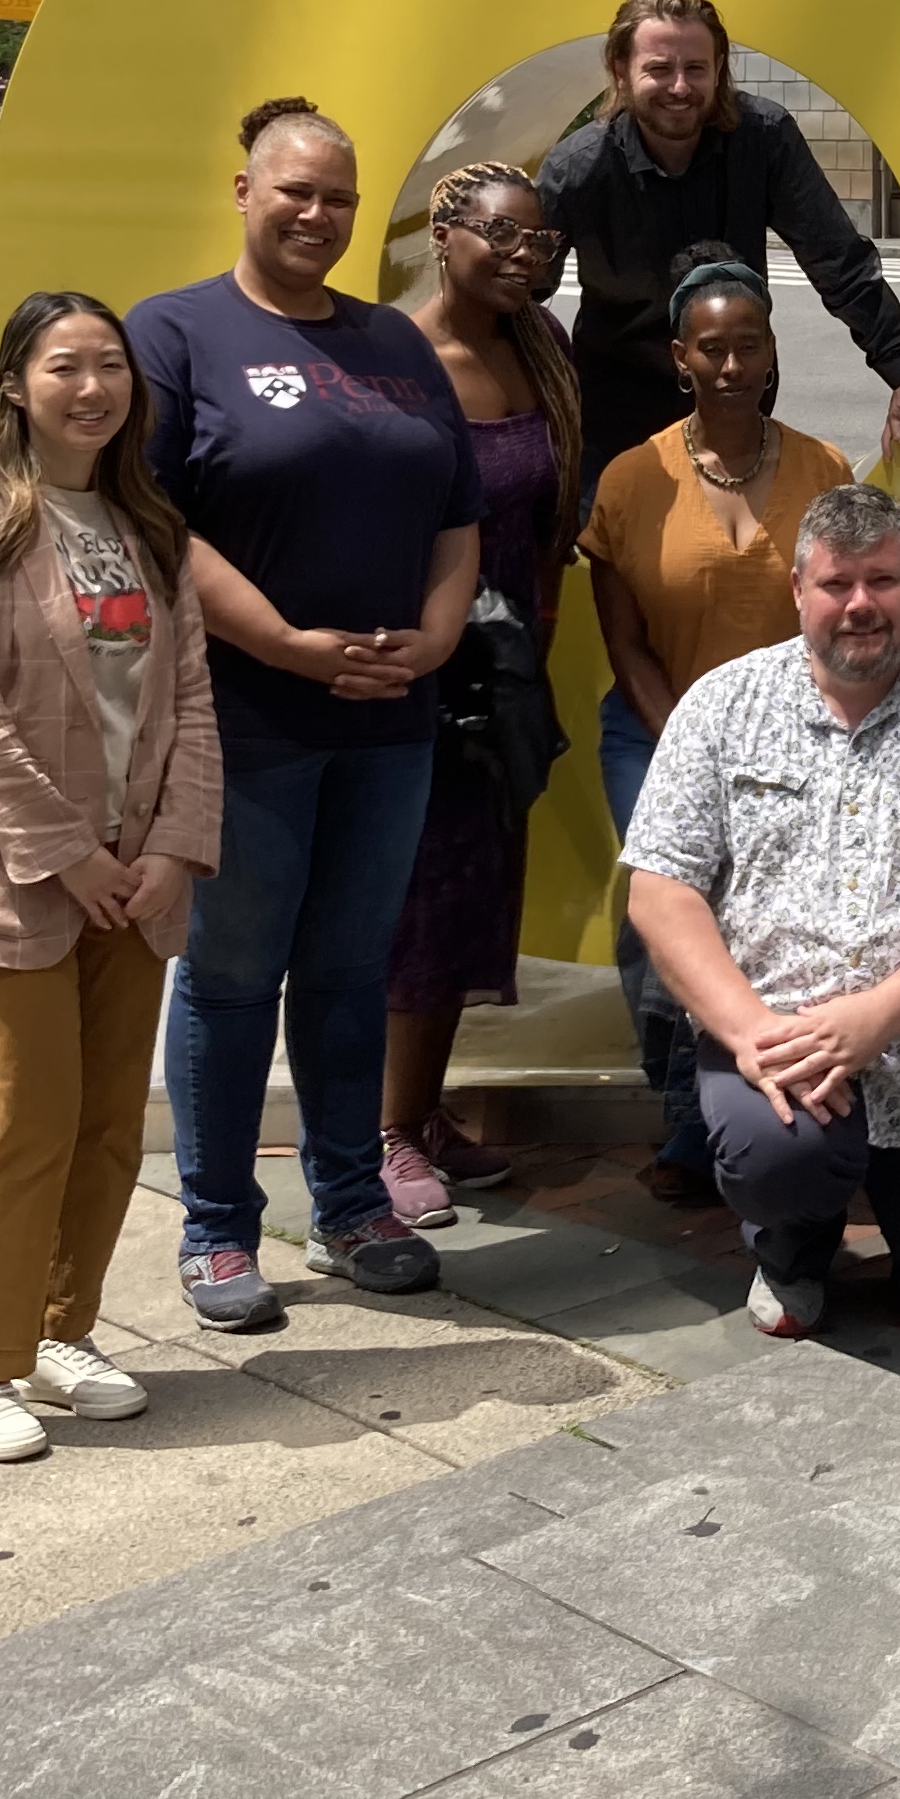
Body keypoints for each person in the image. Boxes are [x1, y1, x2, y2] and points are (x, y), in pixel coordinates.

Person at [126, 98, 481, 1331]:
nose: (317, 216)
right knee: (230, 975)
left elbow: (455, 512)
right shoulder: (174, 335)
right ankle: (219, 1227)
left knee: (345, 971)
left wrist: (435, 638)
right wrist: (281, 641)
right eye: (295, 192)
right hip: (247, 717)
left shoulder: (398, 343)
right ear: (244, 193)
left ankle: (349, 1205)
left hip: (390, 719)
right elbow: (154, 522)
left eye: (337, 197)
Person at [625, 485, 900, 1341]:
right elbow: (660, 889)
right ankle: (793, 1236)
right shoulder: (722, 705)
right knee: (782, 1160)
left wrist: (876, 1018)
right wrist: (748, 1032)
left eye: (883, 581)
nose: (861, 604)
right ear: (798, 591)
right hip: (779, 1056)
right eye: (837, 584)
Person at [0, 290, 220, 1464]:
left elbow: (189, 704)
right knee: (24, 1125)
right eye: (65, 368)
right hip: (15, 878)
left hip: (135, 879)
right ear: (16, 385)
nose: (93, 389)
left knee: (104, 1129)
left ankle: (57, 1331)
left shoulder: (148, 526)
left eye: (110, 368)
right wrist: (71, 855)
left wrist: (173, 850)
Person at [579, 242, 855, 1208]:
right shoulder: (629, 480)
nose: (731, 365)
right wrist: (688, 746)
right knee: (662, 927)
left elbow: (843, 619)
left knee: (770, 927)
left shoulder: (824, 468)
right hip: (654, 734)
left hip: (792, 742)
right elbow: (624, 643)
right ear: (678, 358)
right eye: (711, 348)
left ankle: (769, 1099)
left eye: (748, 345)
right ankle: (684, 1123)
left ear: (772, 351)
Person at [373, 162, 584, 1228]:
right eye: (500, 238)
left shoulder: (542, 346)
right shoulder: (398, 360)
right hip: (421, 668)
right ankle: (387, 1134)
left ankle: (428, 1112)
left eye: (540, 246)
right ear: (443, 235)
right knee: (412, 902)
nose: (521, 259)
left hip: (507, 671)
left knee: (473, 894)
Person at [535, 0, 900, 481]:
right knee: (617, 552)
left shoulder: (763, 140)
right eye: (659, 68)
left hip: (737, 404)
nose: (680, 87)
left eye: (696, 68)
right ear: (620, 71)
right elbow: (522, 294)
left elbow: (836, 258)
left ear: (720, 68)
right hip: (617, 413)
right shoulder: (578, 169)